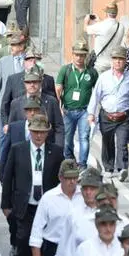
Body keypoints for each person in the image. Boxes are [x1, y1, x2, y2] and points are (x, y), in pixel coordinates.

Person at [0, 114, 63, 256]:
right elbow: (8, 177)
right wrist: (6, 204)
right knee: (23, 240)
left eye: (42, 132)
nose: (38, 136)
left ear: (47, 133)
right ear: (30, 131)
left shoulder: (56, 152)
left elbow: (61, 180)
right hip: (24, 204)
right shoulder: (18, 149)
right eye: (35, 132)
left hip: (46, 205)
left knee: (43, 241)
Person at [88, 47, 129, 182]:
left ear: (125, 61)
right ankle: (108, 168)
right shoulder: (104, 77)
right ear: (112, 61)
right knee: (107, 142)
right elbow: (95, 96)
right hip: (107, 116)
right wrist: (91, 113)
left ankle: (122, 168)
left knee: (122, 142)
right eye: (115, 59)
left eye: (121, 59)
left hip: (124, 117)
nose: (118, 62)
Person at [55, 40, 97, 168]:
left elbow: (97, 92)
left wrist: (93, 111)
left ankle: (83, 164)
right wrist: (59, 107)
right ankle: (70, 160)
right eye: (77, 55)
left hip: (84, 111)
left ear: (86, 56)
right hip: (68, 110)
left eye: (82, 55)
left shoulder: (92, 72)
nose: (79, 58)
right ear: (73, 55)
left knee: (84, 138)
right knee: (67, 139)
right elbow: (58, 88)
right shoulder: (65, 70)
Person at [83, 1, 125, 74]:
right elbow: (109, 30)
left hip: (100, 65)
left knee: (99, 84)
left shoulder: (102, 26)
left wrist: (86, 20)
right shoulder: (121, 27)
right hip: (113, 64)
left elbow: (86, 29)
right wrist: (100, 21)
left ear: (107, 13)